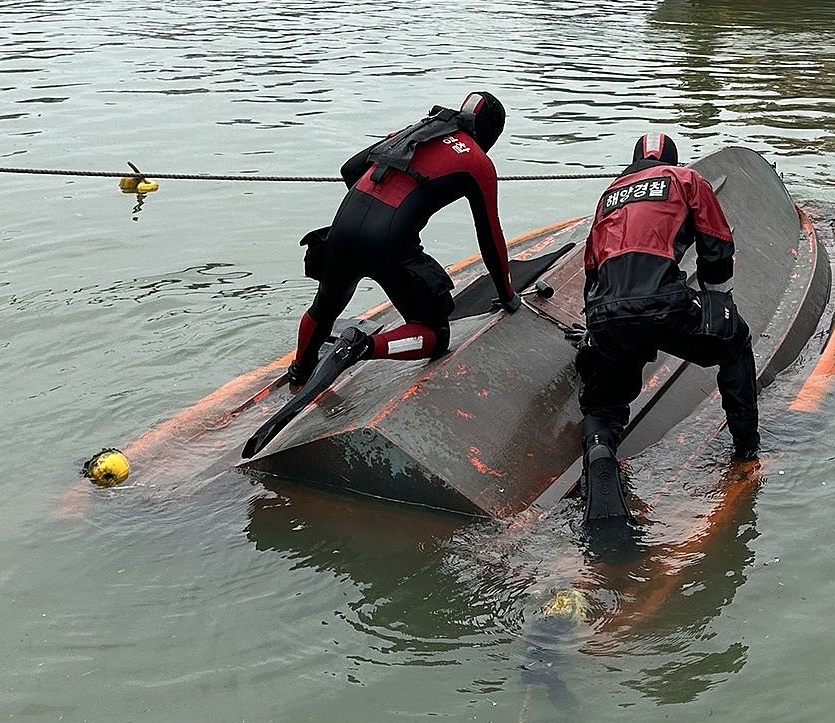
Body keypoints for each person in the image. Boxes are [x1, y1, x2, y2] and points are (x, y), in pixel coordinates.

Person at [574, 134, 759, 521]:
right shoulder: (687, 180)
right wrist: (718, 304)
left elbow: (591, 271)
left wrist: (595, 334)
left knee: (603, 405)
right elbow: (717, 246)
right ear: (672, 160)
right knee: (735, 342)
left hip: (606, 312)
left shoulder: (608, 196)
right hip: (665, 304)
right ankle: (746, 449)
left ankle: (599, 450)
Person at [287, 92, 520, 388]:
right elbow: (489, 234)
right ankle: (363, 346)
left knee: (324, 308)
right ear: (491, 134)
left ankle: (299, 371)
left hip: (343, 227)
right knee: (435, 333)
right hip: (388, 241)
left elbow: (350, 169)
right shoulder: (477, 161)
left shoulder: (416, 131)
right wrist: (507, 294)